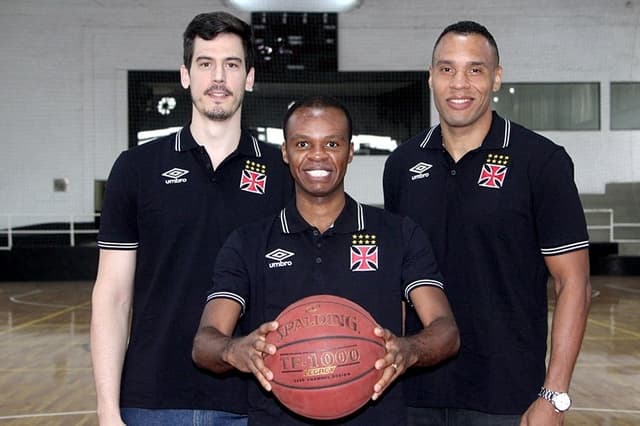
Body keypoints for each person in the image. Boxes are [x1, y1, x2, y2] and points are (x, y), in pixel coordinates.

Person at [192, 95, 460, 425]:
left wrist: (409, 350)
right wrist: (234, 350)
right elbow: (205, 341)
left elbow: (446, 330)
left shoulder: (398, 234)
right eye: (303, 143)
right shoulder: (247, 242)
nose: (317, 155)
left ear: (350, 151)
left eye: (331, 143)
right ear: (286, 153)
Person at [383, 21, 592, 426]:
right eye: (446, 69)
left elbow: (574, 285)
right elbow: (400, 281)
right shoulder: (402, 165)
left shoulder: (541, 162)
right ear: (430, 77)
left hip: (506, 396)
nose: (459, 83)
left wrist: (554, 395)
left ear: (496, 77)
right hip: (414, 394)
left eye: (475, 69)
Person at [90, 11, 293, 426]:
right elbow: (112, 296)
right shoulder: (136, 168)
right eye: (205, 64)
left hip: (256, 403)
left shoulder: (284, 174)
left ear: (249, 78)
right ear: (185, 75)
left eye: (231, 64)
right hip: (151, 401)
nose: (218, 77)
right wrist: (107, 410)